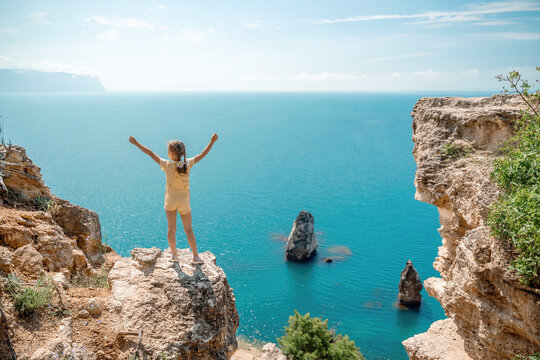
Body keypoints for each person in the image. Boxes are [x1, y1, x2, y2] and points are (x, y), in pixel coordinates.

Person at [128, 133, 218, 264]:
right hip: (184, 201)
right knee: (188, 229)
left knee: (171, 229)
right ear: (182, 153)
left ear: (171, 152)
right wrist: (212, 141)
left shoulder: (167, 165)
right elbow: (203, 154)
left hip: (170, 200)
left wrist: (136, 143)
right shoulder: (187, 164)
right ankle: (196, 256)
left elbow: (150, 153)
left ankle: (174, 255)